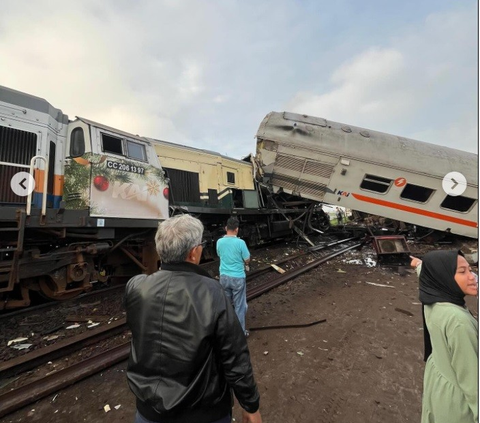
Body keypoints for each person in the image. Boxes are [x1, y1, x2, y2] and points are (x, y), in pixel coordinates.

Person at [125, 214, 262, 423]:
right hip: (204, 412)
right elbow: (234, 357)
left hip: (147, 412)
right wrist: (250, 405)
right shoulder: (212, 293)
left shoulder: (136, 287)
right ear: (193, 252)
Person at [410, 251, 478, 423]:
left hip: (439, 388)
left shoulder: (433, 299)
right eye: (462, 272)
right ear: (443, 277)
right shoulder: (459, 322)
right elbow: (473, 381)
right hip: (459, 406)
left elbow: (427, 274)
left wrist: (419, 265)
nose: (473, 277)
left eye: (471, 270)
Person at [216, 217, 251, 336]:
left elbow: (219, 254)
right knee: (240, 306)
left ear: (226, 228)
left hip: (224, 278)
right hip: (237, 278)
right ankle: (240, 333)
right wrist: (246, 263)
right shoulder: (240, 243)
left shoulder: (219, 242)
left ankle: (226, 332)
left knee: (226, 306)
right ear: (237, 229)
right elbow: (247, 259)